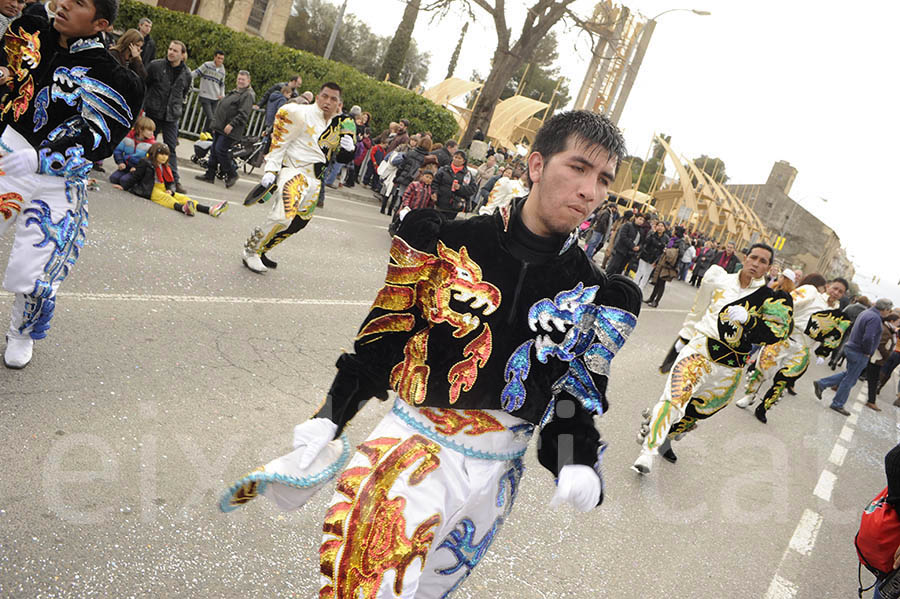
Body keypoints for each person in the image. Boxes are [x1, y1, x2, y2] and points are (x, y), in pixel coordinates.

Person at [219, 110, 641, 597]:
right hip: (413, 449)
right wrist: (329, 417)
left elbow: (570, 393)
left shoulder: (593, 293)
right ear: (536, 165)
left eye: (604, 179)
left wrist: (574, 456)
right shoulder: (447, 241)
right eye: (578, 168)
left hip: (495, 481)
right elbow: (384, 340)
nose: (591, 190)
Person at [0, 0, 144, 368]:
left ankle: (21, 332)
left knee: (37, 264)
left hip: (58, 176)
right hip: (8, 151)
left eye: (78, 3)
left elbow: (100, 134)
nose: (62, 5)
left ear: (99, 23)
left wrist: (45, 155)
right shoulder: (32, 32)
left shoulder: (115, 77)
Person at [633, 244, 790, 474]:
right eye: (753, 257)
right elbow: (698, 311)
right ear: (745, 258)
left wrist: (751, 320)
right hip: (701, 351)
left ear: (769, 268)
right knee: (675, 399)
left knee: (696, 412)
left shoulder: (769, 299)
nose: (756, 263)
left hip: (730, 368)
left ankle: (660, 431)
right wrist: (684, 337)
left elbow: (777, 333)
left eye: (763, 261)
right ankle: (648, 452)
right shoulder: (719, 279)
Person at [240, 82, 349, 274]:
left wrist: (349, 150)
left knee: (298, 223)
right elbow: (279, 143)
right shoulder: (299, 113)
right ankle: (250, 250)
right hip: (294, 171)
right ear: (317, 96)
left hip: (316, 180)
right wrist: (271, 170)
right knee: (284, 216)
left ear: (338, 103)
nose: (327, 102)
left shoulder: (337, 125)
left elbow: (335, 157)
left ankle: (263, 250)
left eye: (333, 99)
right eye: (325, 96)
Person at [736, 274, 850, 422]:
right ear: (828, 286)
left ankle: (764, 407)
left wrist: (823, 352)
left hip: (803, 347)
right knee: (763, 368)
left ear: (843, 295)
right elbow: (788, 303)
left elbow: (832, 334)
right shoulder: (811, 292)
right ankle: (749, 395)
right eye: (835, 288)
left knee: (784, 379)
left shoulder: (836, 312)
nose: (836, 293)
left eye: (840, 291)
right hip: (785, 338)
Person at [814, 298, 896, 416]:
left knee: (849, 374)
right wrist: (868, 351)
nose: (889, 313)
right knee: (850, 379)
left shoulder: (866, 313)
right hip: (860, 351)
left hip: (852, 347)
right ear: (885, 309)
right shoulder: (875, 319)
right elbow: (868, 338)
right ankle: (837, 403)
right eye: (889, 311)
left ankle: (822, 384)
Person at [123, 143, 227, 217]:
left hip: (163, 187)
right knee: (166, 198)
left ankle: (210, 209)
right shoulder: (145, 162)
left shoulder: (166, 167)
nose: (164, 157)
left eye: (166, 155)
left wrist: (171, 190)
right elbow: (136, 176)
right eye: (161, 154)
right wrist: (124, 187)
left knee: (182, 197)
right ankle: (183, 209)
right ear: (154, 153)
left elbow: (170, 182)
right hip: (150, 188)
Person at [144, 40, 191, 194]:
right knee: (148, 144)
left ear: (182, 55)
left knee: (170, 148)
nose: (171, 52)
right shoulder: (156, 66)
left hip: (172, 115)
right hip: (154, 111)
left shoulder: (187, 73)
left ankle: (174, 181)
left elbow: (183, 93)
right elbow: (146, 84)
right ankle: (140, 174)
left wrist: (176, 108)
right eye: (170, 49)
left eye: (175, 51)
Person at [195, 70, 254, 189]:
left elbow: (243, 114)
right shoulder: (235, 92)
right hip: (220, 127)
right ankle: (210, 174)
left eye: (243, 80)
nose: (240, 81)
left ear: (248, 81)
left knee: (220, 150)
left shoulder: (248, 95)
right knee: (214, 150)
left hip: (230, 129)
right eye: (239, 79)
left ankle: (232, 174)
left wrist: (232, 124)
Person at [388, 135, 432, 216]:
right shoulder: (428, 158)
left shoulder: (411, 153)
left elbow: (402, 166)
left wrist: (396, 178)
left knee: (402, 199)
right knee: (413, 202)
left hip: (404, 178)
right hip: (418, 182)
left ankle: (396, 219)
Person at [109, 116, 156, 188]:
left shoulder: (151, 144)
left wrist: (137, 168)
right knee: (114, 178)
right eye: (149, 130)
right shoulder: (128, 138)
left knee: (124, 181)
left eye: (153, 131)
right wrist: (120, 162)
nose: (152, 133)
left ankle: (136, 182)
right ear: (140, 129)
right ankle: (127, 176)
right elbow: (118, 150)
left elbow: (150, 161)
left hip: (138, 170)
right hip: (126, 166)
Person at [865, 313, 899, 411]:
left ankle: (871, 401)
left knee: (871, 379)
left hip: (878, 358)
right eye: (898, 322)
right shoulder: (886, 330)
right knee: (871, 379)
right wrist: (887, 355)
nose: (898, 324)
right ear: (892, 321)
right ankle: (871, 401)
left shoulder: (890, 330)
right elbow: (881, 344)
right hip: (877, 358)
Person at [830, 295, 872, 369]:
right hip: (854, 330)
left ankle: (832, 358)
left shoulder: (851, 307)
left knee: (838, 342)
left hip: (844, 326)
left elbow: (842, 314)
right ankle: (836, 360)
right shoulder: (866, 313)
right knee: (844, 345)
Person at [433, 150, 476, 220]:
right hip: (440, 203)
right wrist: (434, 192)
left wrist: (460, 188)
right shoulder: (444, 170)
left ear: (463, 161)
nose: (456, 159)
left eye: (459, 158)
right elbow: (435, 183)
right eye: (455, 157)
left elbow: (472, 189)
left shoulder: (467, 174)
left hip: (455, 206)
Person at [191, 50, 226, 135]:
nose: (220, 61)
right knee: (210, 117)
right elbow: (195, 73)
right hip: (205, 95)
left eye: (222, 59)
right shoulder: (207, 65)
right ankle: (205, 133)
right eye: (218, 58)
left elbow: (222, 84)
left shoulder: (222, 70)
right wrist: (187, 79)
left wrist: (222, 94)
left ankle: (205, 134)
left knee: (213, 118)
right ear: (214, 57)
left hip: (215, 97)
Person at [605, 211, 643, 276]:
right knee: (613, 267)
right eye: (640, 219)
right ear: (635, 218)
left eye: (642, 220)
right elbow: (623, 236)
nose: (641, 221)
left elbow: (641, 241)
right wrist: (632, 246)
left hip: (629, 253)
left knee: (620, 270)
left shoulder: (640, 230)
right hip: (621, 250)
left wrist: (639, 247)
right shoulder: (628, 225)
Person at [643, 240, 679, 308]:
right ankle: (651, 299)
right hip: (662, 263)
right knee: (657, 283)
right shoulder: (672, 240)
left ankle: (656, 302)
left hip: (667, 267)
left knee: (661, 284)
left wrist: (667, 251)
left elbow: (677, 255)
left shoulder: (680, 242)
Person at [634, 220, 667, 292]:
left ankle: (640, 289)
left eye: (662, 226)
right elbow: (646, 242)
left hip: (654, 259)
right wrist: (653, 233)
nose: (660, 227)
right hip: (645, 255)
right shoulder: (652, 233)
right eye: (659, 226)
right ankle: (634, 286)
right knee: (640, 271)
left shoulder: (666, 238)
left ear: (665, 228)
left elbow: (663, 251)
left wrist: (657, 261)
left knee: (647, 274)